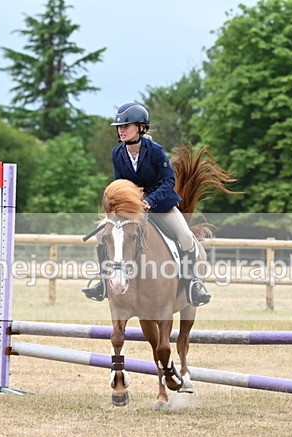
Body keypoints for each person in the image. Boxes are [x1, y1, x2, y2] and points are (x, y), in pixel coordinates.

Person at [82, 102, 211, 306]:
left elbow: (169, 182)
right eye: (119, 126)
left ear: (141, 127)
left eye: (126, 126)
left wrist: (149, 201)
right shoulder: (118, 153)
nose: (121, 130)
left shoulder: (156, 151)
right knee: (101, 235)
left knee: (186, 237)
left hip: (162, 207)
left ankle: (193, 284)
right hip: (133, 210)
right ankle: (103, 282)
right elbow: (122, 184)